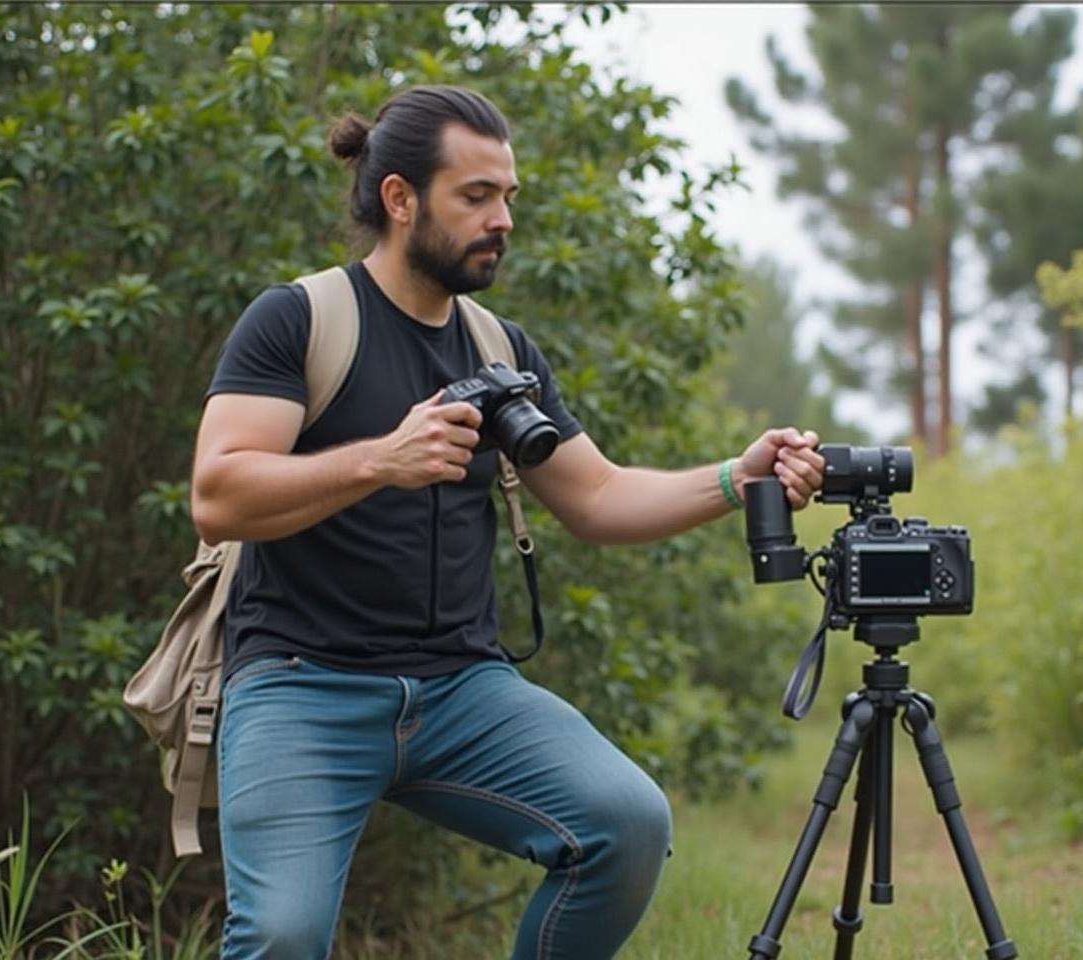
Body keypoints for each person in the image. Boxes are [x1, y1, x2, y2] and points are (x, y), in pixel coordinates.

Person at [191, 85, 825, 960]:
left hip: (461, 690)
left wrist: (733, 475)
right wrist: (382, 458)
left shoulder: (500, 348)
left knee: (628, 824)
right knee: (285, 935)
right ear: (400, 199)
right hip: (303, 685)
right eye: (476, 196)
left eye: (509, 197)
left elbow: (597, 499)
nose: (503, 220)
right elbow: (218, 496)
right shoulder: (301, 319)